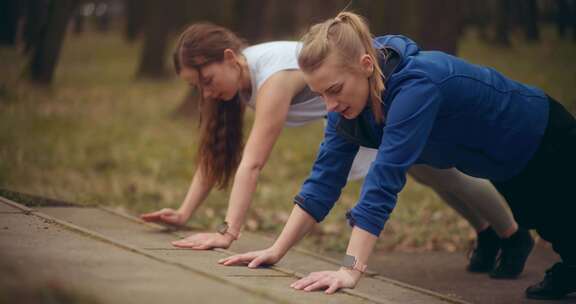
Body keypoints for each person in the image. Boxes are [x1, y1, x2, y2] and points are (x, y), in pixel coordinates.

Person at [218, 12, 576, 300]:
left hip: (541, 133)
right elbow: (324, 178)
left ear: (365, 64)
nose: (328, 105)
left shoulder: (417, 86)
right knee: (540, 218)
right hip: (499, 158)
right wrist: (276, 250)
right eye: (319, 95)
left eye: (334, 90)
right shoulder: (346, 108)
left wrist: (350, 269)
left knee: (559, 217)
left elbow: (384, 179)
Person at [142, 23, 528, 276]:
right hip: (349, 122)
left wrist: (229, 233)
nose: (207, 93)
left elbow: (254, 162)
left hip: (370, 109)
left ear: (229, 58)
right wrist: (184, 212)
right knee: (430, 173)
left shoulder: (272, 77)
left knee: (442, 173)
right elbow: (216, 156)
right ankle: (487, 232)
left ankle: (511, 234)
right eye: (199, 88)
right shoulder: (237, 80)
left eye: (207, 81)